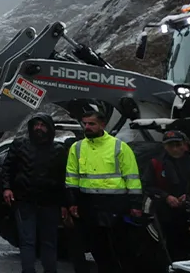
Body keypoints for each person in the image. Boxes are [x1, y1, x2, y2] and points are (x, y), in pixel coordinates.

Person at [64, 108, 142, 272]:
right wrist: (72, 202)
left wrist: (135, 204)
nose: (87, 127)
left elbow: (132, 178)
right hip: (89, 205)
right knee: (98, 250)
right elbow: (72, 178)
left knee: (120, 250)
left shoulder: (119, 147)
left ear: (102, 125)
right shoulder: (77, 148)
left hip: (115, 206)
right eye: (85, 124)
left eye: (92, 124)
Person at [1, 113, 65, 273]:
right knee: (27, 241)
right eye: (36, 125)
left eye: (42, 125)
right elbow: (7, 168)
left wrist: (66, 203)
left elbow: (64, 178)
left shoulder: (58, 150)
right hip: (25, 202)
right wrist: (6, 188)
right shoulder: (20, 145)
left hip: (50, 203)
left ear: (49, 128)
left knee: (49, 242)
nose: (39, 128)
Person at [145, 129, 190, 261]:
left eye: (178, 144)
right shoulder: (156, 164)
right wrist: (166, 197)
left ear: (184, 145)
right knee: (174, 252)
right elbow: (147, 186)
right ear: (165, 146)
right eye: (171, 145)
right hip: (167, 216)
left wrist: (189, 196)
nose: (175, 149)